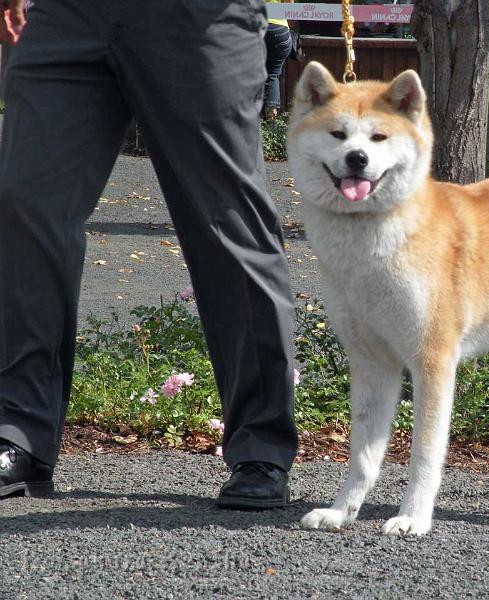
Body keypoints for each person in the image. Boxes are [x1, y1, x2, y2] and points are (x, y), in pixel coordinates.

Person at [0, 0, 297, 509]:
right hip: (68, 14)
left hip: (198, 16)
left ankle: (259, 444)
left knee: (226, 222)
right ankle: (20, 433)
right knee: (25, 202)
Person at [263, 0, 294, 119]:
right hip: (280, 30)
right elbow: (289, 6)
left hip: (255, 28)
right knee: (272, 75)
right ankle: (270, 120)